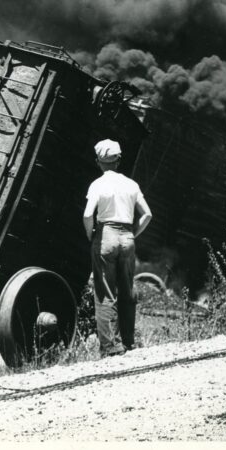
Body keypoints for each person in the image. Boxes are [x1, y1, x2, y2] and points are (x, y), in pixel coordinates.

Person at [83, 139, 152, 357]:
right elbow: (148, 215)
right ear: (118, 160)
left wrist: (91, 235)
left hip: (106, 236)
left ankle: (110, 347)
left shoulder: (97, 184)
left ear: (98, 162)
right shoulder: (131, 185)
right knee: (127, 289)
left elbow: (87, 215)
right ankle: (129, 343)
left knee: (105, 292)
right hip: (127, 237)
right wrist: (133, 233)